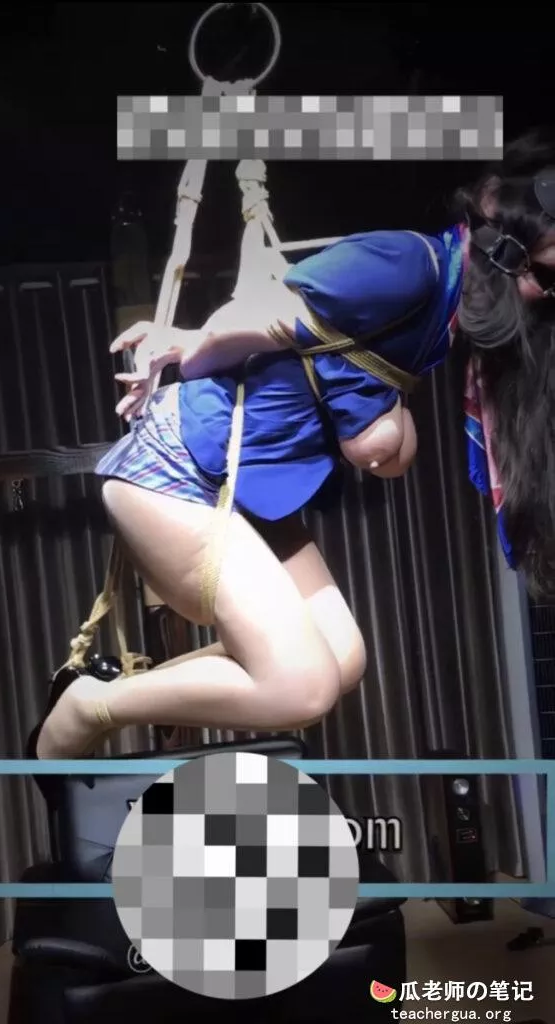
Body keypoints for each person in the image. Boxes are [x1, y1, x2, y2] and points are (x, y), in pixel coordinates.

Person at [34, 128, 555, 759]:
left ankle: (110, 694)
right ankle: (88, 707)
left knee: (340, 656)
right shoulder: (410, 264)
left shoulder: (440, 313)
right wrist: (186, 344)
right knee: (302, 685)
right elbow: (262, 312)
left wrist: (381, 427)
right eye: (543, 276)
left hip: (249, 492)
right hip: (181, 473)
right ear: (505, 250)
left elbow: (366, 425)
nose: (542, 296)